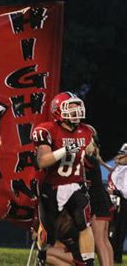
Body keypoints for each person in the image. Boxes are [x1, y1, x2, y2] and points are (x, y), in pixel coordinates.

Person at [32, 92, 95, 266]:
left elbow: (89, 150)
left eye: (77, 107)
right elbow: (42, 161)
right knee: (48, 232)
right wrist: (67, 149)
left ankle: (89, 262)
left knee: (84, 223)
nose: (76, 111)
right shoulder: (46, 130)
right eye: (71, 108)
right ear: (58, 111)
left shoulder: (86, 131)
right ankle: (41, 254)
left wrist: (88, 153)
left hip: (75, 184)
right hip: (52, 187)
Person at [84, 125, 114, 266]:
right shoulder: (93, 156)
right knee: (104, 240)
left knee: (99, 241)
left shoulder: (87, 157)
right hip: (102, 199)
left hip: (97, 200)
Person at [107, 143, 127, 264]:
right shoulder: (120, 167)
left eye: (123, 155)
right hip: (116, 200)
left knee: (120, 230)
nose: (119, 158)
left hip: (124, 202)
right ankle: (113, 255)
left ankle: (117, 256)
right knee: (113, 229)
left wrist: (115, 191)